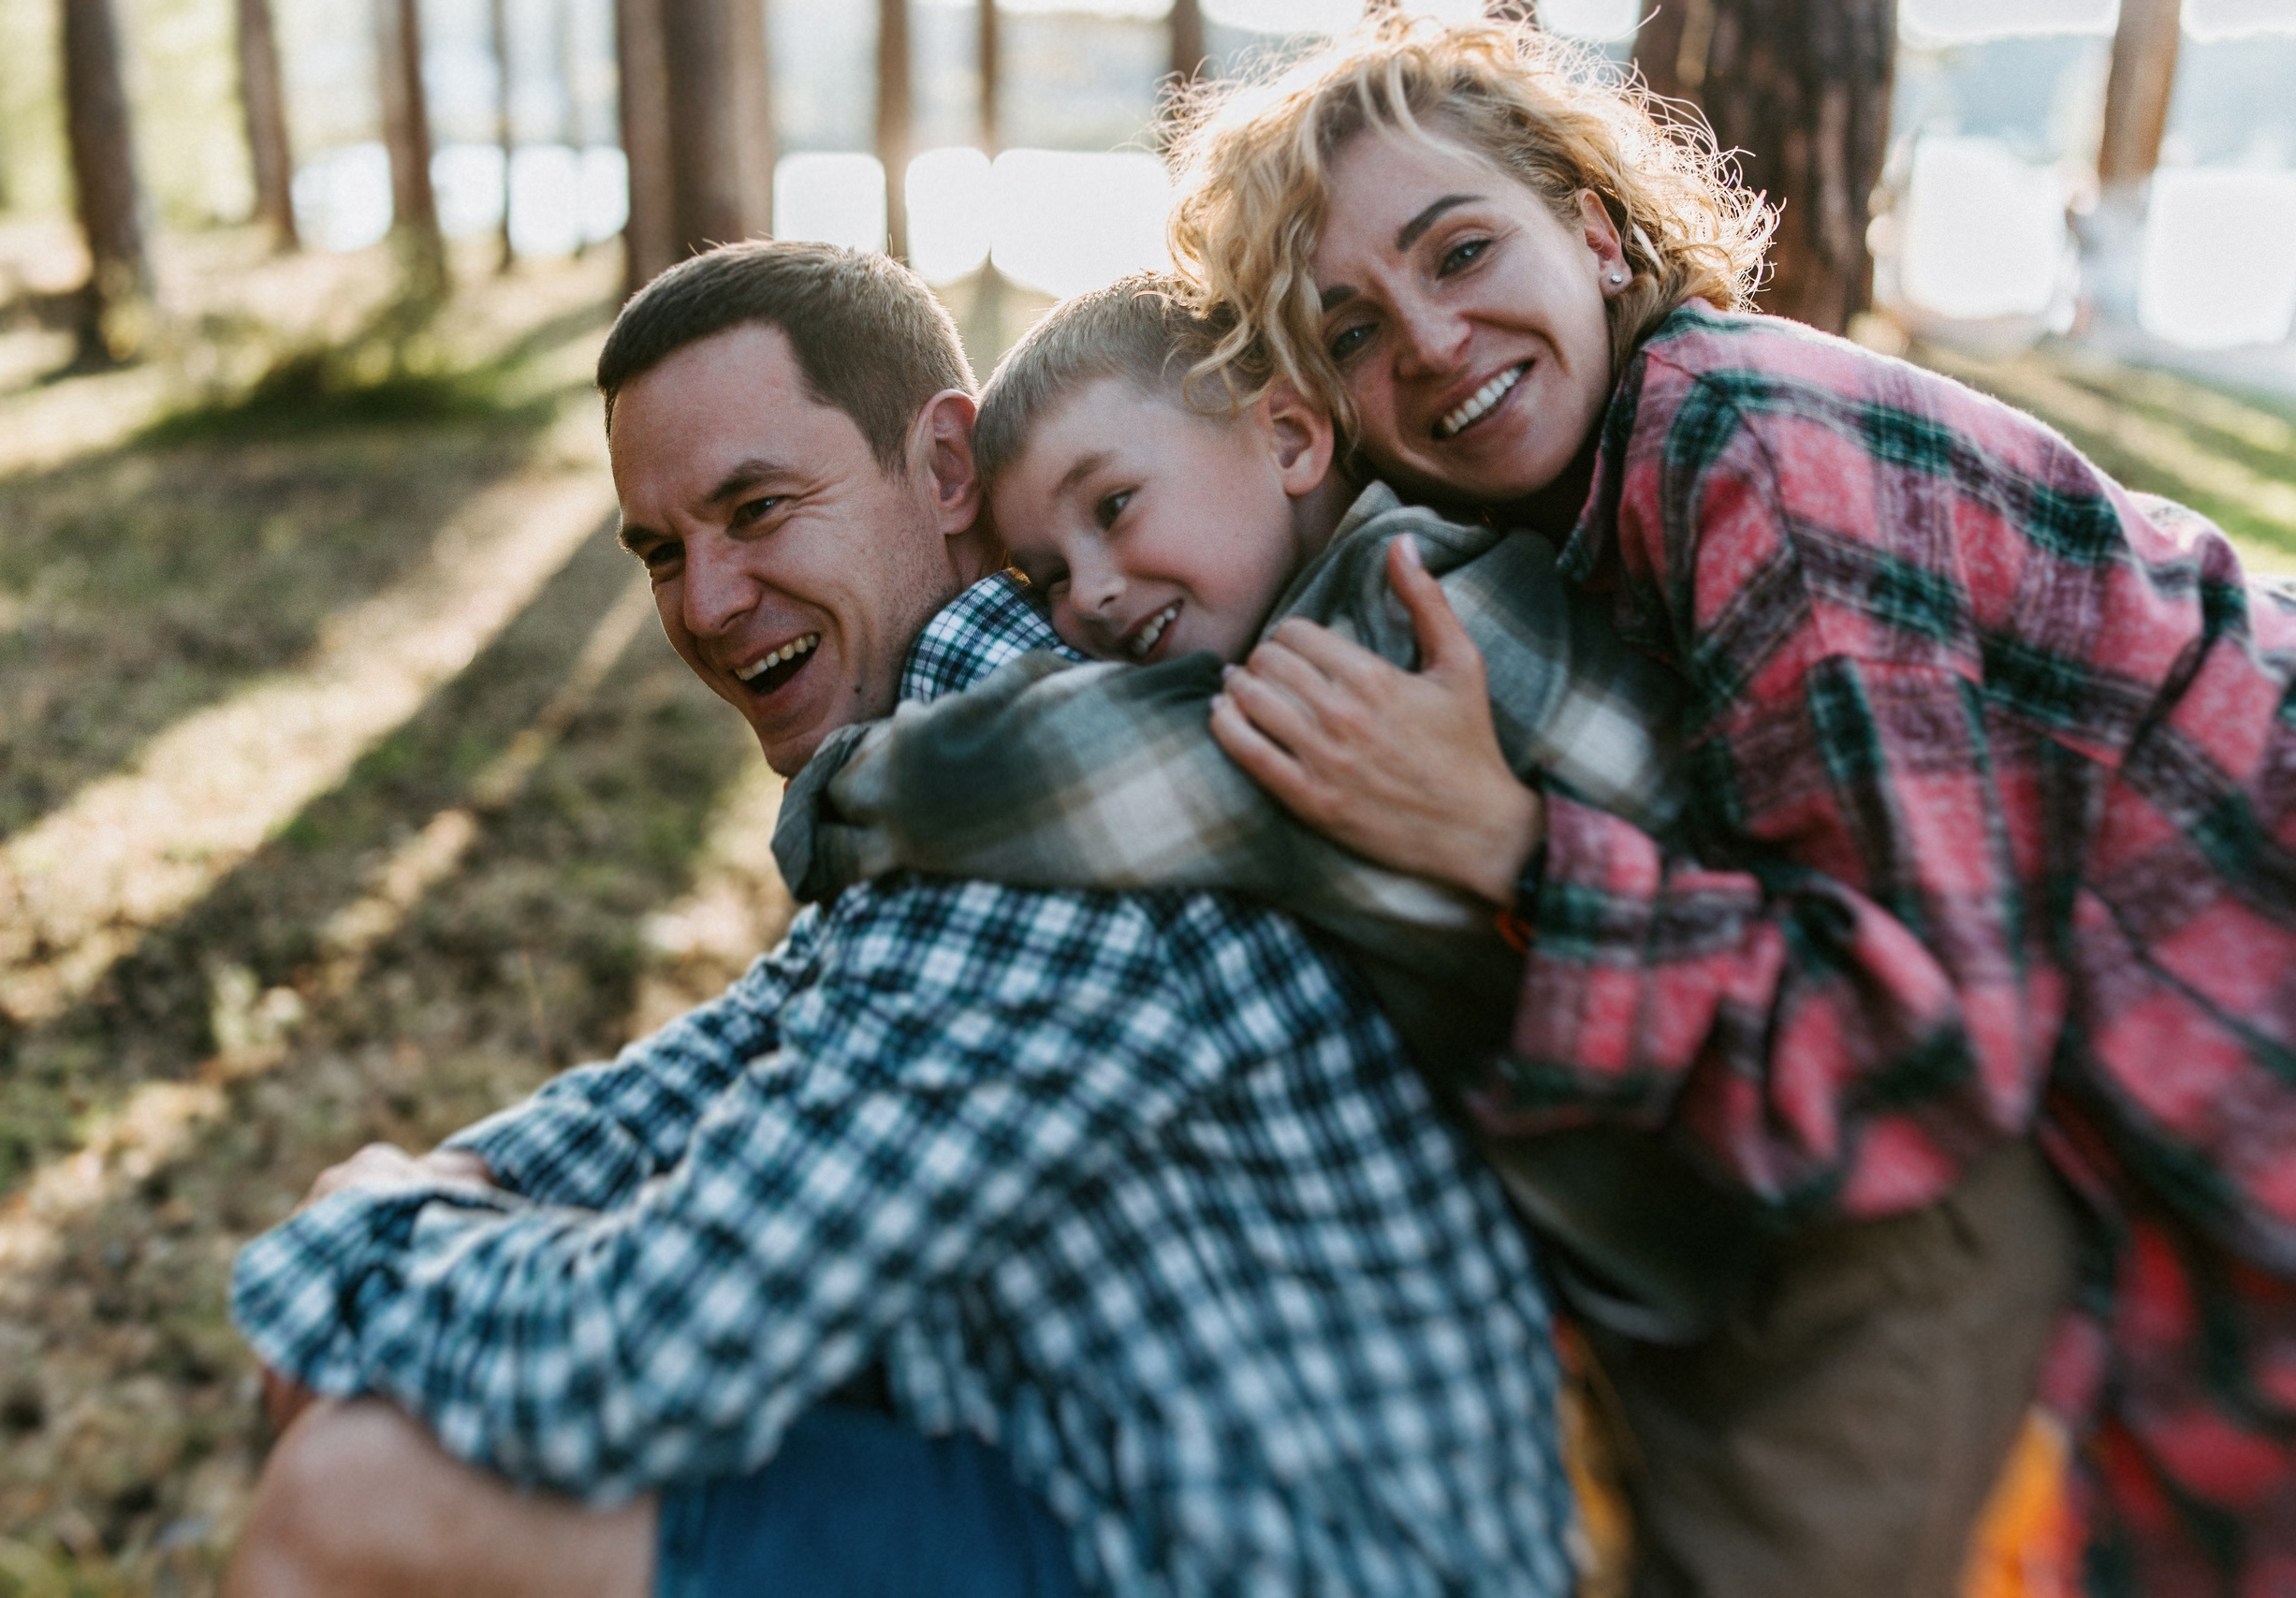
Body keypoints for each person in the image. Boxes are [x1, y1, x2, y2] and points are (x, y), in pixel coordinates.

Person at [221, 240, 1576, 1598]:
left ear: (942, 470)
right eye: (660, 551)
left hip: (1266, 1561)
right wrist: (459, 1187)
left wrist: (368, 1251)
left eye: (755, 509)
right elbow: (740, 1052)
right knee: (398, 1415)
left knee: (358, 1494)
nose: (705, 603)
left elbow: (643, 1365)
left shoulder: (1057, 811)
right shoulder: (969, 768)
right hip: (1112, 1479)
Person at [1161, 15, 2296, 1595]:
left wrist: (1507, 844)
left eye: (1463, 248)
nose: (1424, 341)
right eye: (1347, 331)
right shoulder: (1591, 504)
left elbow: (1924, 1057)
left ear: (1598, 228)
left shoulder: (1746, 446)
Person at [778, 263, 2079, 1598]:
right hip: (1723, 1240)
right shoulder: (1332, 611)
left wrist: (841, 789)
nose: (1094, 595)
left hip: (1870, 1233)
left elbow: (1101, 784)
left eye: (1116, 508)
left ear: (1289, 436)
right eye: (1047, 575)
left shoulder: (1404, 619)